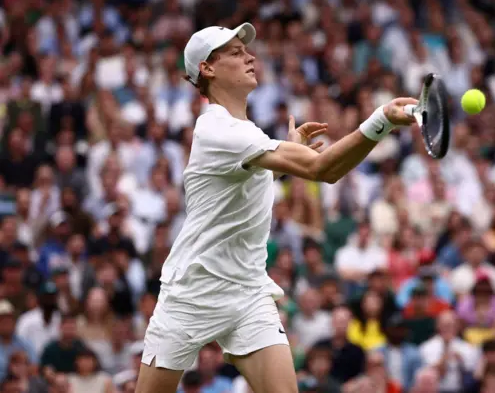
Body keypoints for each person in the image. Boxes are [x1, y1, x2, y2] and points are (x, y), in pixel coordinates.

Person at [135, 23, 417, 393]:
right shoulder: (218, 129)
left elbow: (242, 191)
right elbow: (323, 169)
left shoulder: (244, 132)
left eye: (245, 50)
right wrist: (381, 120)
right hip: (193, 292)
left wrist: (281, 163)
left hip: (248, 291)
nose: (249, 56)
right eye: (235, 52)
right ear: (207, 68)